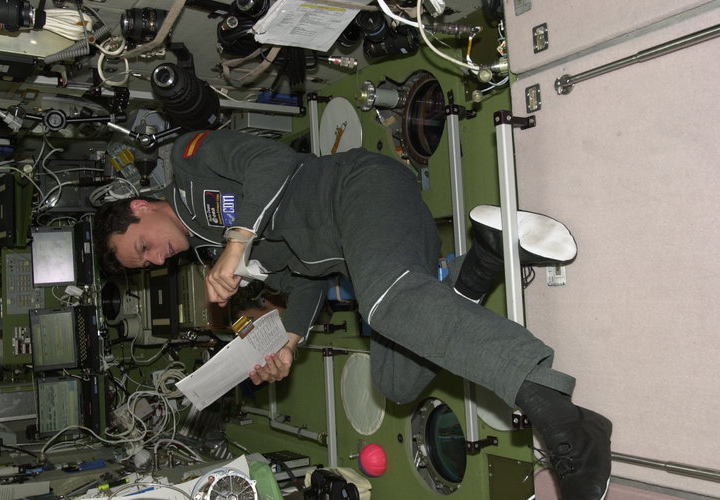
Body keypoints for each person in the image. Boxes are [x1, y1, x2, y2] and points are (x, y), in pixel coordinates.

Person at [93, 129, 612, 500]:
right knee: (397, 382)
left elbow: (274, 163)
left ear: (141, 207)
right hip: (376, 246)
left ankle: (561, 416)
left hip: (361, 190)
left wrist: (238, 239)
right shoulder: (211, 253)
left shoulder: (192, 163)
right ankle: (483, 260)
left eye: (144, 248)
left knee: (387, 310)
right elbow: (302, 281)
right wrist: (289, 342)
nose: (159, 260)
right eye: (147, 264)